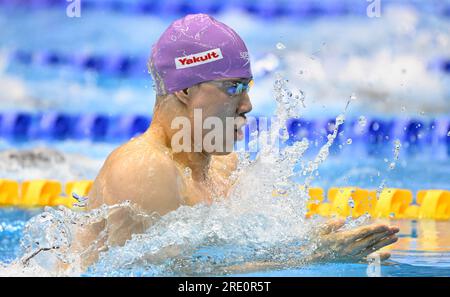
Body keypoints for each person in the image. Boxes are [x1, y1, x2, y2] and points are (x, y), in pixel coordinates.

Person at [76, 13, 398, 271]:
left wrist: (307, 243)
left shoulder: (220, 166)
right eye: (233, 88)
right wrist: (311, 258)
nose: (247, 105)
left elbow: (214, 261)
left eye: (247, 87)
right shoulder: (143, 169)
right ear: (185, 90)